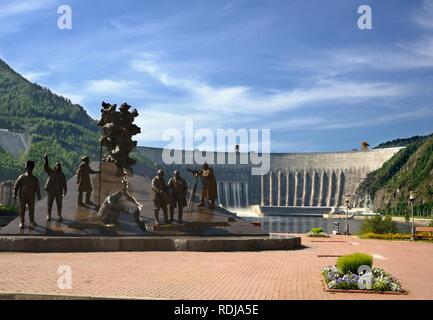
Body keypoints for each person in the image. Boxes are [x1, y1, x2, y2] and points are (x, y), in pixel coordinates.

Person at [13, 160, 41, 229]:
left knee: (31, 209)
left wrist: (38, 195)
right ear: (26, 169)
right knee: (22, 209)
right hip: (22, 196)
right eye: (29, 168)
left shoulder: (34, 179)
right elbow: (16, 186)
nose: (30, 170)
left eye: (31, 169)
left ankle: (32, 221)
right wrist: (14, 194)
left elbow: (37, 188)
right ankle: (22, 222)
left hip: (31, 196)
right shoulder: (21, 177)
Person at [44, 155, 67, 222]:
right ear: (55, 166)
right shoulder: (51, 172)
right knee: (49, 203)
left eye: (59, 165)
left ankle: (59, 215)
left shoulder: (62, 175)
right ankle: (48, 215)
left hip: (59, 191)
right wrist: (46, 160)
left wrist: (65, 190)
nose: (58, 166)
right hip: (51, 191)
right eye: (57, 165)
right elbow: (46, 167)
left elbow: (64, 183)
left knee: (59, 204)